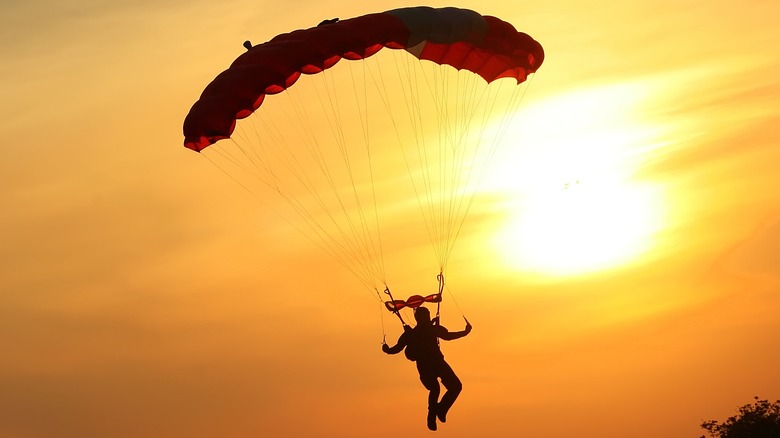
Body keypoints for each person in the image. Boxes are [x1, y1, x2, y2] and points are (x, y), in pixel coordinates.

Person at [382, 307, 472, 431]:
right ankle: (432, 416)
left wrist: (464, 332)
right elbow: (396, 348)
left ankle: (441, 410)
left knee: (456, 386)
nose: (426, 318)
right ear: (418, 318)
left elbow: (447, 336)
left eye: (427, 315)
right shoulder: (415, 332)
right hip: (426, 366)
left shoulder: (427, 330)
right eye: (423, 316)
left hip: (438, 363)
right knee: (435, 388)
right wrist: (387, 349)